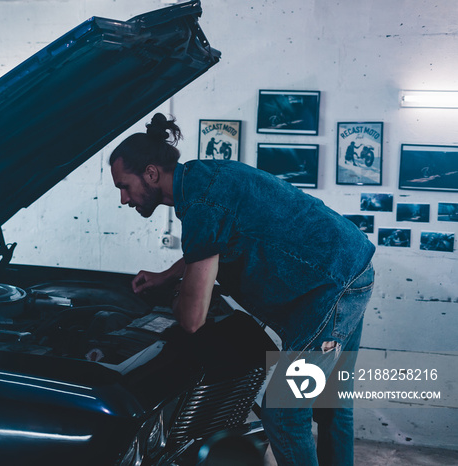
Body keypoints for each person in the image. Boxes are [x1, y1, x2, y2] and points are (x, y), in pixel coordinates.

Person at [109, 113, 375, 466]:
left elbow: (191, 319)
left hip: (330, 291)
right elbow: (208, 247)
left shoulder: (202, 204)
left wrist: (176, 298)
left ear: (152, 173)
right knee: (331, 403)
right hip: (350, 270)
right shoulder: (203, 178)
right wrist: (167, 276)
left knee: (284, 415)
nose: (125, 199)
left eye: (124, 186)